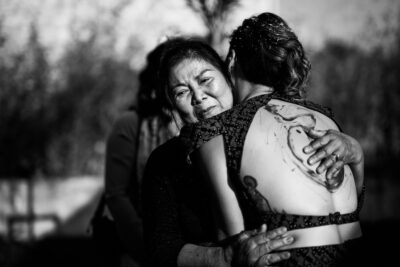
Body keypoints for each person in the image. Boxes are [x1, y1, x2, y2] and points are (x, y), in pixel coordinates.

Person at [143, 37, 364, 266]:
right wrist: (224, 257)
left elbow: (344, 212)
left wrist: (357, 158)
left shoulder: (274, 132)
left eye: (205, 80)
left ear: (228, 75)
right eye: (181, 92)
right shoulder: (165, 161)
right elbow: (160, 250)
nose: (198, 96)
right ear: (172, 105)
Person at [90, 41, 176, 267]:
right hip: (140, 254)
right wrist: (151, 249)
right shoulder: (130, 124)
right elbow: (117, 196)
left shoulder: (194, 120)